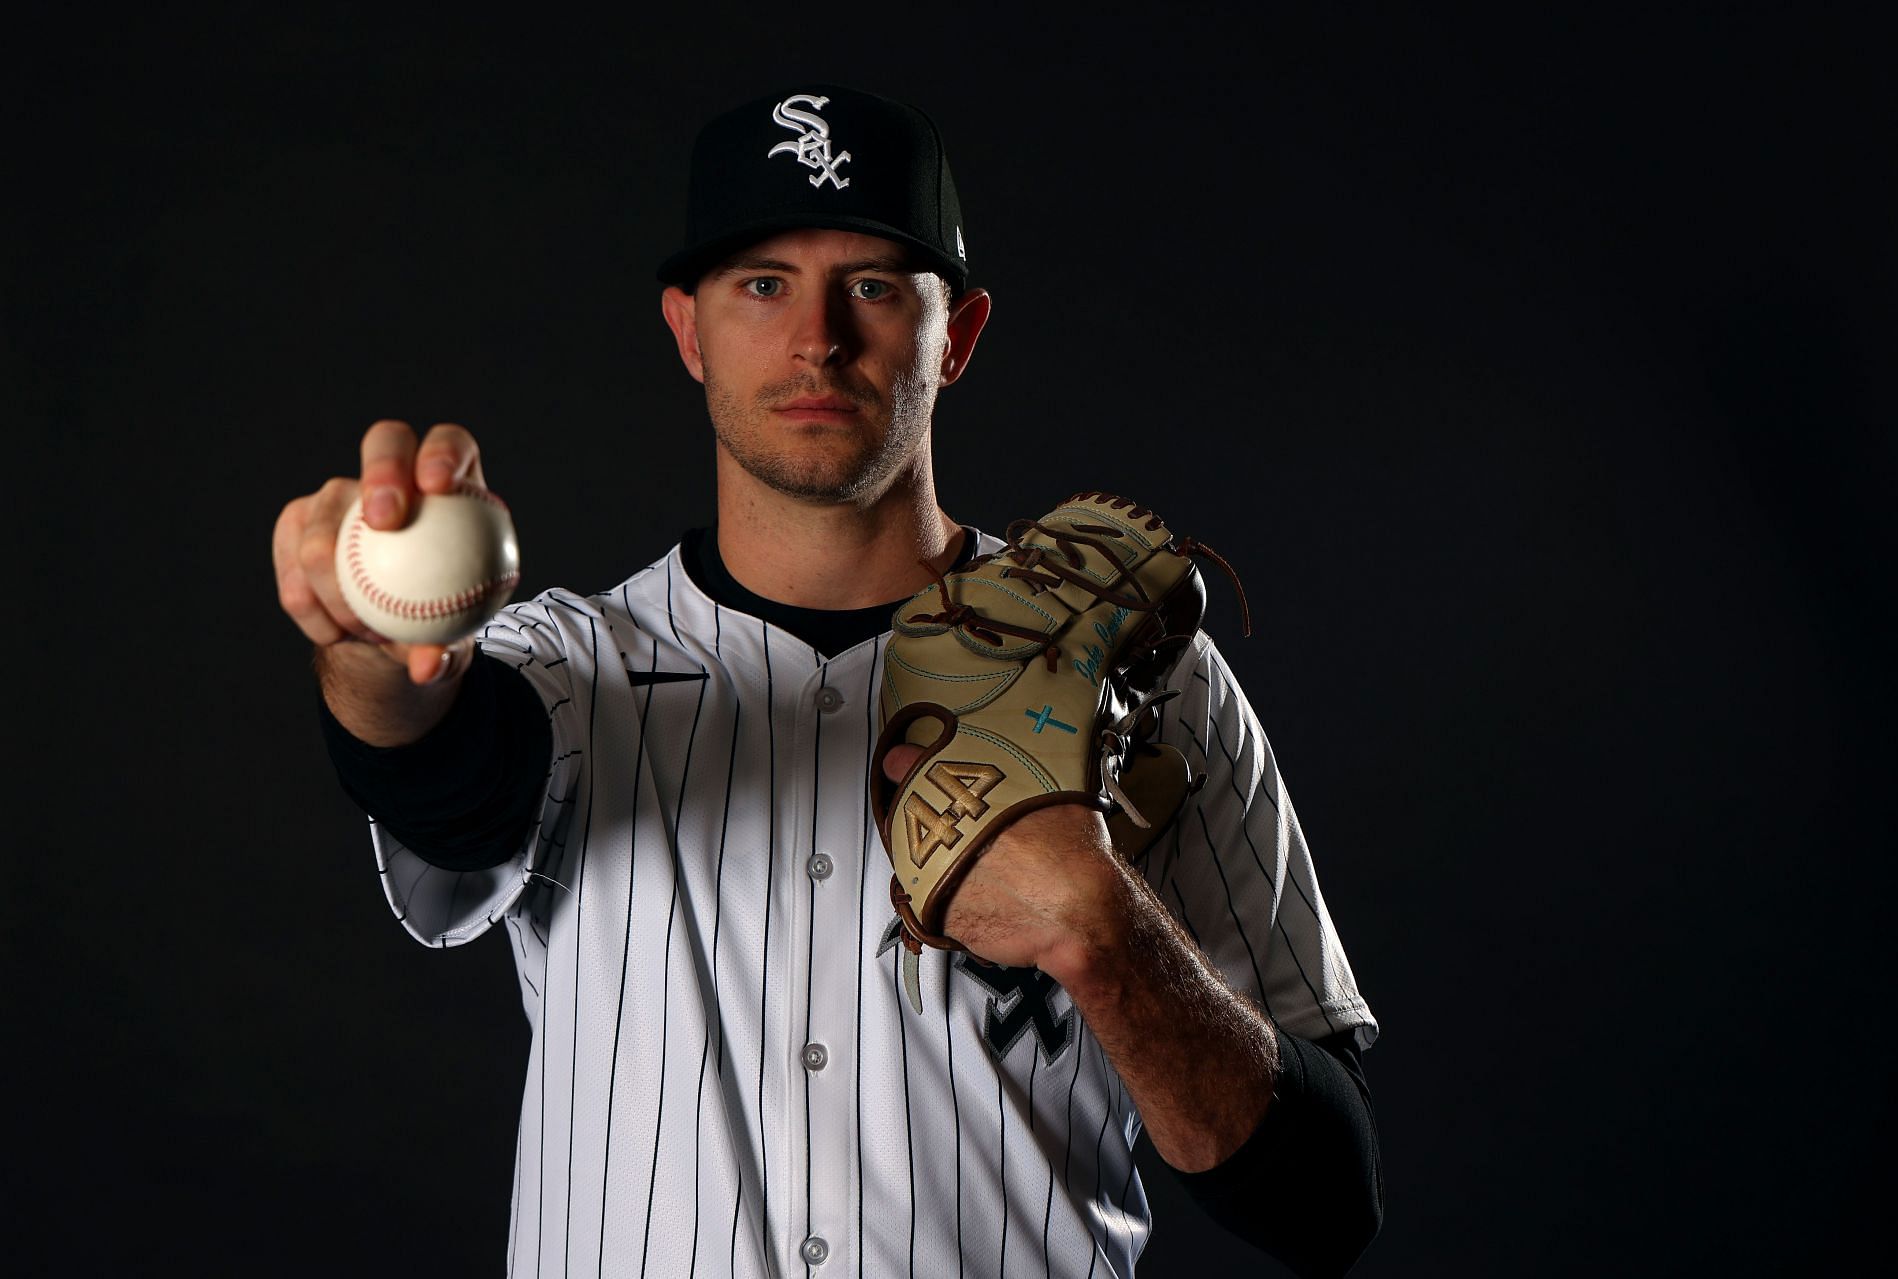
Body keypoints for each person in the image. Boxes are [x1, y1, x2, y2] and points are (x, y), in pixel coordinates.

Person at [272, 85, 1381, 1278]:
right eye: (762, 282)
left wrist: (1108, 937)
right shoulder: (567, 667)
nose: (817, 339)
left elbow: (1326, 1199)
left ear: (956, 335)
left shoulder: (1141, 672)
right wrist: (372, 655)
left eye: (872, 285)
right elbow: (443, 767)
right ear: (687, 330)